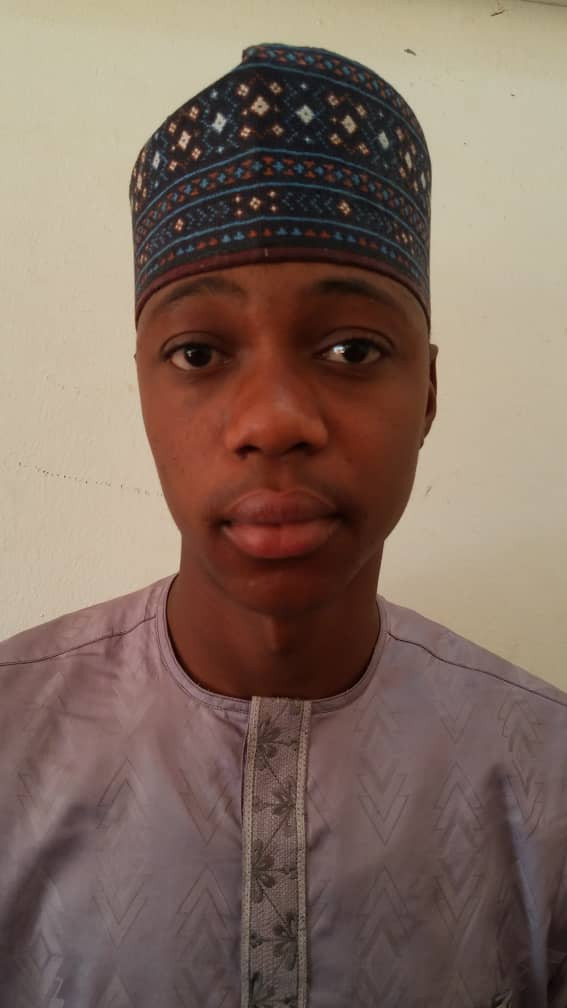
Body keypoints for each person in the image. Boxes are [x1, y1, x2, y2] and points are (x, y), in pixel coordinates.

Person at [0, 42, 566, 1008]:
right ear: (141, 391)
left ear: (428, 392)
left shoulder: (544, 772)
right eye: (198, 352)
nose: (273, 422)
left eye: (352, 349)